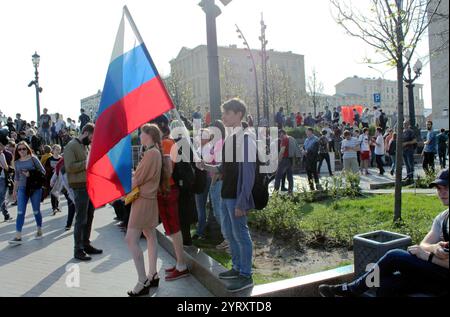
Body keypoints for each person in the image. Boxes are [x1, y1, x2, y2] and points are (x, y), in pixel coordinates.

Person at [319, 169, 449, 297]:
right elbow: (424, 244)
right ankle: (353, 289)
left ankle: (353, 289)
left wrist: (428, 256)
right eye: (439, 189)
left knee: (395, 256)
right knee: (386, 285)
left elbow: (424, 252)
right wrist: (434, 248)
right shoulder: (443, 217)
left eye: (446, 188)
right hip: (436, 275)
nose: (442, 193)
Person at [198, 98, 256, 293]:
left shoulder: (247, 138)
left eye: (227, 113)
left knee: (241, 234)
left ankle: (246, 275)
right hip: (226, 194)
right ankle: (237, 268)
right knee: (230, 234)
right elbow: (224, 168)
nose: (223, 117)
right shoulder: (231, 138)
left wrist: (242, 201)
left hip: (235, 197)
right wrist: (206, 166)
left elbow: (248, 174)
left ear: (238, 114)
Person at [126, 124, 163, 296]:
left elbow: (137, 179)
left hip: (143, 200)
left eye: (141, 133)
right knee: (150, 235)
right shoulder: (155, 152)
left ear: (148, 135)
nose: (139, 135)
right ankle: (153, 274)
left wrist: (121, 190)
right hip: (150, 199)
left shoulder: (150, 154)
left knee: (131, 239)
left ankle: (142, 281)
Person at [152, 115, 190, 281]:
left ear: (159, 125)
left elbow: (168, 170)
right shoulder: (164, 142)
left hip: (168, 190)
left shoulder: (166, 142)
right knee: (171, 228)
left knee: (174, 228)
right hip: (165, 190)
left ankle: (182, 265)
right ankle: (179, 262)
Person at [64, 123, 102, 261]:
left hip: (89, 185)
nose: (92, 140)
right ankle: (78, 249)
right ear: (85, 133)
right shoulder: (71, 146)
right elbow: (69, 167)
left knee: (89, 216)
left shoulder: (85, 146)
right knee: (81, 219)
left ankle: (86, 244)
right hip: (79, 187)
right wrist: (86, 162)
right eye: (91, 137)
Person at [8, 142, 46, 245]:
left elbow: (43, 172)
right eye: (19, 149)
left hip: (34, 188)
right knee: (20, 212)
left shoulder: (33, 159)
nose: (22, 151)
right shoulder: (16, 162)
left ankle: (39, 230)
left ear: (27, 149)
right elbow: (16, 177)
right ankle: (18, 236)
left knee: (36, 211)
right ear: (17, 151)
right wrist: (15, 191)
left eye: (24, 149)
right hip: (22, 188)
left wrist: (30, 173)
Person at [194, 129, 213, 240]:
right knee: (201, 206)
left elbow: (202, 165)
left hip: (204, 178)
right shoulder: (201, 148)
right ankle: (202, 229)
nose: (199, 138)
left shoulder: (207, 148)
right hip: (203, 178)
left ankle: (200, 231)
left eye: (201, 136)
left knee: (200, 206)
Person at [50, 158, 76, 231]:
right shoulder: (64, 159)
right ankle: (70, 224)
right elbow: (58, 169)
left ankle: (71, 223)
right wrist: (52, 180)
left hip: (75, 184)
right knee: (72, 203)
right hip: (65, 186)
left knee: (73, 203)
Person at [45, 144, 62, 215]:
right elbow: (46, 168)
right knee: (53, 192)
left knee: (57, 192)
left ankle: (57, 206)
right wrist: (52, 169)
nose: (57, 151)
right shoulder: (49, 159)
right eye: (56, 149)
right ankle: (54, 208)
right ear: (53, 150)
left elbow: (64, 167)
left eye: (59, 149)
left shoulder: (61, 159)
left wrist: (58, 170)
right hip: (51, 178)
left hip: (60, 178)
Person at [0, 139, 13, 222]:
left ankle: (6, 215)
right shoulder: (1, 155)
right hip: (1, 177)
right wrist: (10, 169)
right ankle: (6, 215)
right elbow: (5, 166)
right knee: (2, 197)